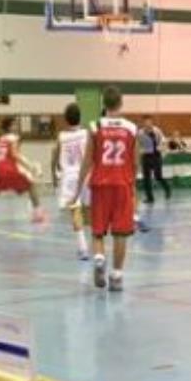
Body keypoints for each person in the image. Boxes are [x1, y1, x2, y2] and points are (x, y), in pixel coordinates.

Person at [79, 87, 137, 292]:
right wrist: (134, 189)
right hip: (122, 184)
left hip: (100, 185)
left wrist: (78, 187)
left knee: (98, 232)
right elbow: (134, 162)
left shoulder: (95, 127)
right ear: (121, 103)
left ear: (104, 103)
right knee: (121, 233)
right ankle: (117, 276)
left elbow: (87, 161)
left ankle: (99, 258)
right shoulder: (131, 128)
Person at [52, 103, 91, 261]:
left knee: (75, 211)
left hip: (69, 177)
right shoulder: (86, 133)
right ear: (79, 118)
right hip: (86, 175)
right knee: (88, 210)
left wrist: (53, 176)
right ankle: (96, 243)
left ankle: (82, 248)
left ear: (66, 120)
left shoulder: (61, 137)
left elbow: (54, 158)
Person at [138, 116, 172, 205]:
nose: (147, 124)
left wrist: (161, 147)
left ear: (151, 122)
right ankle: (150, 198)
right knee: (146, 178)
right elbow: (138, 144)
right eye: (145, 122)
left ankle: (167, 189)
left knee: (158, 176)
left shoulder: (157, 131)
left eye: (149, 122)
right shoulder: (140, 133)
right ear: (143, 123)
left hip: (156, 156)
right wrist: (140, 151)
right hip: (146, 156)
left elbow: (163, 140)